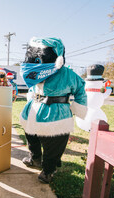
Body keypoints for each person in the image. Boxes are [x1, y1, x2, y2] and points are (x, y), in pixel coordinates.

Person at [20, 37, 87, 183]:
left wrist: (78, 109)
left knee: (53, 145)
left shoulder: (68, 74)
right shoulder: (35, 72)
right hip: (33, 110)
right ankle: (35, 158)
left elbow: (80, 90)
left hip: (56, 115)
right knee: (31, 138)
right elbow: (32, 86)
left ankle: (48, 170)